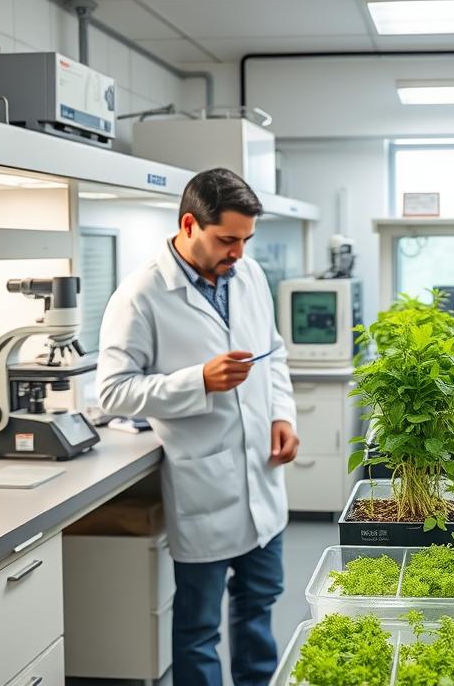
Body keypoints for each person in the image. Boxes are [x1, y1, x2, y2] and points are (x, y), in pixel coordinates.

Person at [96, 168, 299, 686]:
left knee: (259, 609)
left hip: (262, 475)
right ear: (189, 224)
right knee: (198, 629)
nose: (239, 253)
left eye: (246, 240)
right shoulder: (140, 295)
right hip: (204, 485)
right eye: (227, 239)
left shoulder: (248, 276)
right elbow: (113, 393)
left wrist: (282, 416)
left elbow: (273, 357)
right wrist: (198, 381)